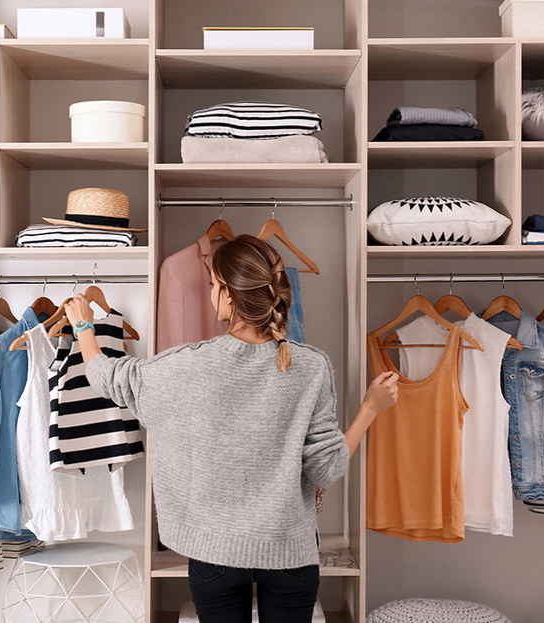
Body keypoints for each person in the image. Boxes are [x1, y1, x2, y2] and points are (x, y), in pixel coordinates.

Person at [65, 234, 398, 623]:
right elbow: (326, 469)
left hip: (213, 555)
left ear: (227, 294)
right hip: (290, 554)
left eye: (212, 286)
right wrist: (371, 409)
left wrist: (84, 328)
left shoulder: (186, 365)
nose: (210, 295)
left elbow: (109, 378)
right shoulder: (311, 367)